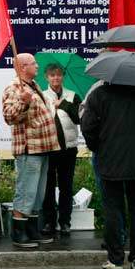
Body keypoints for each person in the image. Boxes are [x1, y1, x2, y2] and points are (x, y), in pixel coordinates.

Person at [81, 81, 135, 269]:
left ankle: (115, 260)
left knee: (112, 209)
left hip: (110, 160)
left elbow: (87, 126)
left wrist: (97, 146)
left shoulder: (99, 95)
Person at [1, 53, 61, 248]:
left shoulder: (32, 86)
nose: (37, 66)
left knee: (38, 192)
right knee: (26, 190)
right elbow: (9, 116)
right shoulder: (14, 88)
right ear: (23, 67)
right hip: (29, 148)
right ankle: (18, 232)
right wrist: (23, 102)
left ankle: (32, 229)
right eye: (33, 63)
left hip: (43, 148)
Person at [40, 63, 82, 236]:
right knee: (48, 186)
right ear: (46, 78)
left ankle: (65, 222)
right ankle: (49, 221)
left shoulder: (73, 96)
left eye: (58, 75)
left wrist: (63, 104)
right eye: (52, 75)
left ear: (63, 76)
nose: (55, 78)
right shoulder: (41, 96)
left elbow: (79, 118)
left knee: (66, 186)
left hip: (68, 148)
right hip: (49, 148)